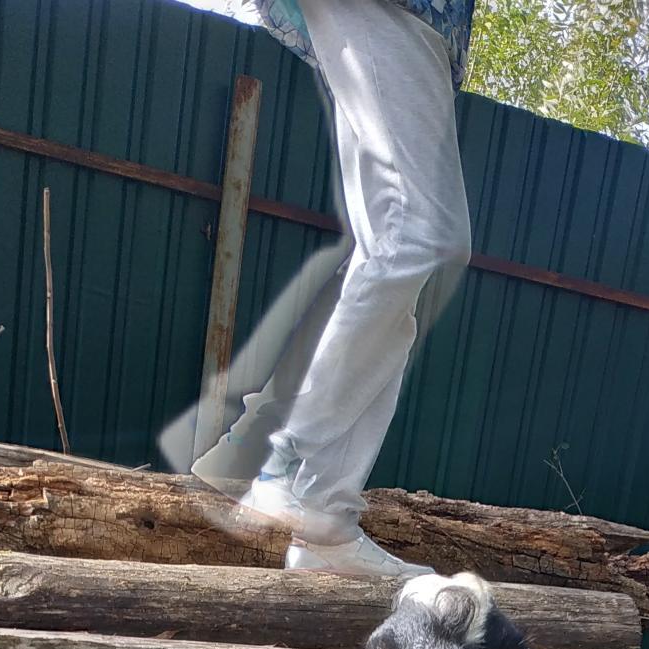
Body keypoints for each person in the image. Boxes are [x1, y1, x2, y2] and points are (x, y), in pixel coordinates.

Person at [193, 0, 474, 577]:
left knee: (401, 251)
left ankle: (324, 521)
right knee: (417, 238)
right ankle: (283, 468)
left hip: (424, 19)